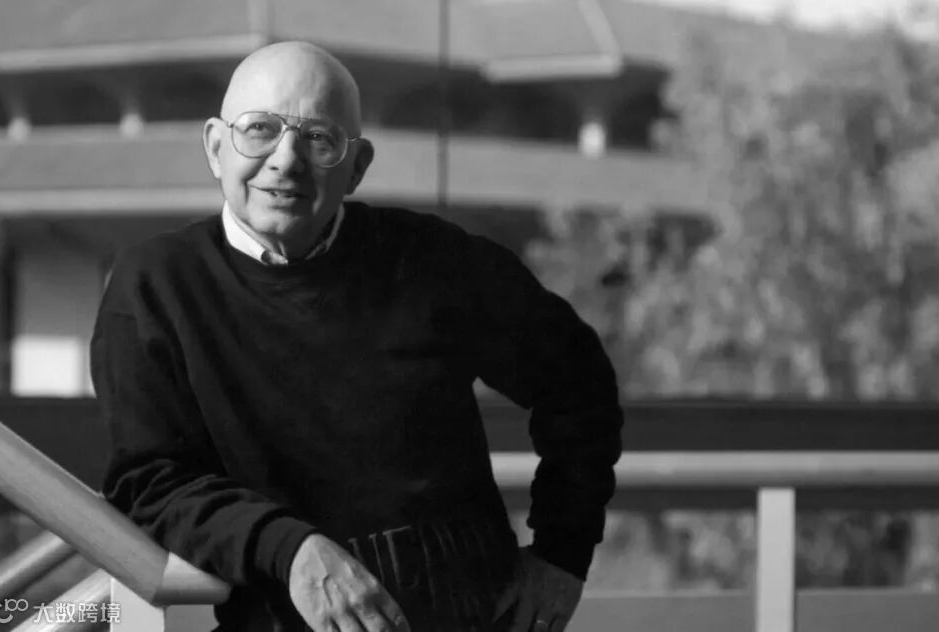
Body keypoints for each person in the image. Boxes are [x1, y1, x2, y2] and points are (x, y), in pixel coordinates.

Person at [91, 41, 623, 632]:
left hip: (476, 614)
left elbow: (578, 380)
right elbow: (150, 483)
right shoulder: (156, 286)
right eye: (260, 130)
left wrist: (563, 552)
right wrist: (289, 549)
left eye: (319, 139)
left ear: (357, 167)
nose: (285, 160)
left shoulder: (433, 261)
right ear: (216, 147)